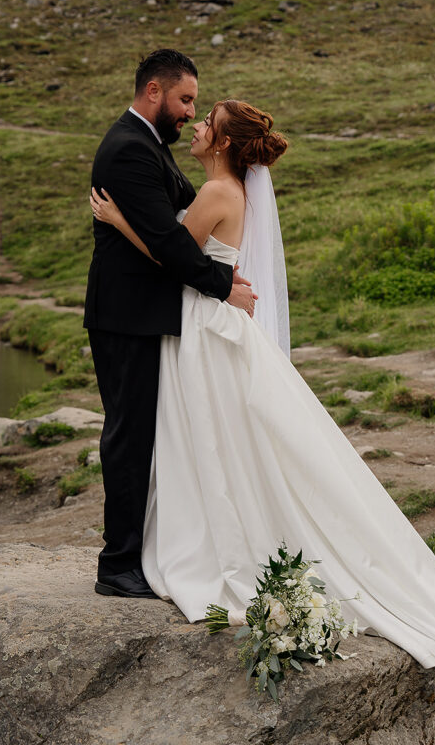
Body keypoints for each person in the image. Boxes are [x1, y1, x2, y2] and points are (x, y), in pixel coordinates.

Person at [91, 97, 435, 745]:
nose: (196, 128)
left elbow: (168, 257)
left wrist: (117, 220)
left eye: (207, 123)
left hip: (206, 331)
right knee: (227, 441)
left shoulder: (219, 190)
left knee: (217, 437)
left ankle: (214, 537)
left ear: (224, 143)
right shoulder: (223, 186)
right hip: (212, 324)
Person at [84, 49, 256, 601]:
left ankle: (139, 552)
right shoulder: (130, 151)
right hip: (127, 316)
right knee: (128, 435)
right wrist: (223, 286)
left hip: (146, 314)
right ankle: (117, 565)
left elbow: (185, 215)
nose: (189, 113)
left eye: (196, 107)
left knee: (150, 435)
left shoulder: (149, 146)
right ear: (153, 91)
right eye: (185, 100)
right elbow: (166, 243)